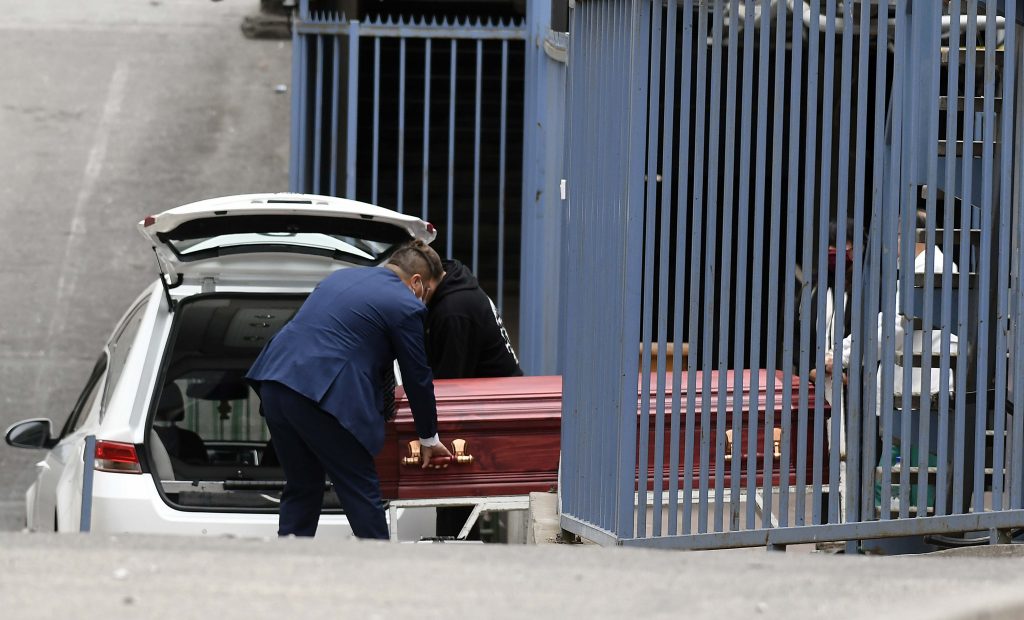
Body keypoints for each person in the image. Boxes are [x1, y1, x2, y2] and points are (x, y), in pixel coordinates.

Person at [245, 240, 453, 539]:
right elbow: (417, 376)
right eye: (428, 293)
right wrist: (428, 438)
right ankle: (378, 562)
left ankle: (290, 557)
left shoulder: (340, 277)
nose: (425, 301)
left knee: (302, 485)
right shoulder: (405, 305)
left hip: (275, 381)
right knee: (360, 488)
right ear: (417, 282)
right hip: (322, 394)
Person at [425, 258, 522, 538]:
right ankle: (461, 544)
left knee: (454, 488)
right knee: (461, 494)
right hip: (492, 399)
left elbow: (450, 386)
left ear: (421, 282)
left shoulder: (453, 311)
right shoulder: (459, 290)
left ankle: (456, 549)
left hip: (485, 407)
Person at [425, 258, 523, 379]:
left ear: (417, 281)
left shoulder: (453, 311)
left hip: (497, 387)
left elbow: (449, 379)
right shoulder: (456, 285)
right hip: (499, 382)